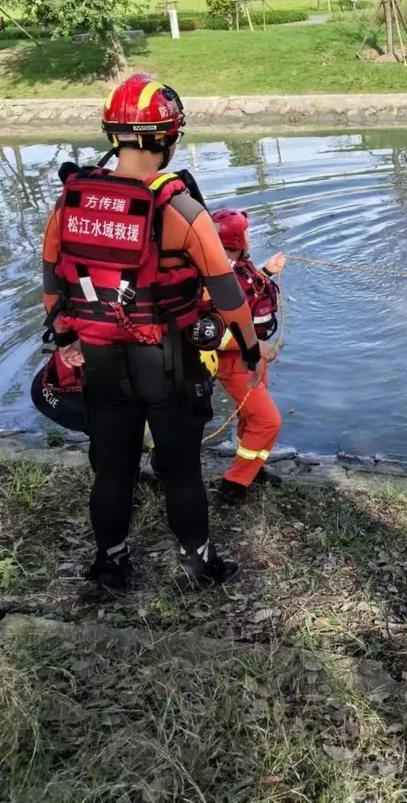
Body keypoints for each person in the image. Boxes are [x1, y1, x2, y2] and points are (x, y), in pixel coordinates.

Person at [41, 74, 262, 591]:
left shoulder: (72, 200)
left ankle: (110, 564)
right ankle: (200, 565)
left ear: (112, 134)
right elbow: (228, 295)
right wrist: (249, 348)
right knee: (181, 470)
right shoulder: (180, 208)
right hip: (167, 359)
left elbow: (53, 280)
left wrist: (67, 339)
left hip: (98, 356)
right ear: (167, 137)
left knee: (112, 469)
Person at [211, 209, 286, 505]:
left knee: (251, 417)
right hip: (238, 361)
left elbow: (250, 291)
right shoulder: (216, 278)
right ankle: (234, 484)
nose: (250, 238)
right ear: (238, 239)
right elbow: (213, 332)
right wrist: (254, 346)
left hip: (254, 356)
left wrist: (267, 272)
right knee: (269, 421)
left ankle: (253, 469)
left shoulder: (236, 266)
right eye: (246, 233)